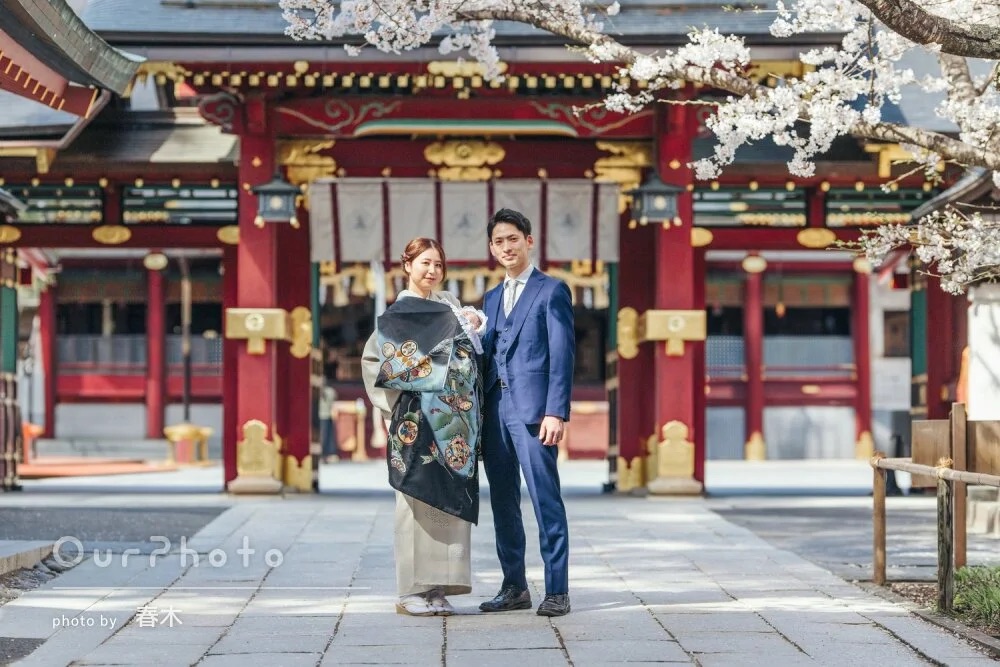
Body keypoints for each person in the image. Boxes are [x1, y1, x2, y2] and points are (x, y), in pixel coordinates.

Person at [362, 237, 487, 617]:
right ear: (407, 266)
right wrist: (398, 406)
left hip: (452, 424)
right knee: (415, 503)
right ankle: (410, 591)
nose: (432, 270)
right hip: (416, 422)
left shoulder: (451, 306)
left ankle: (439, 588)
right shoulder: (400, 314)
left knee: (449, 505)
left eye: (438, 264)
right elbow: (374, 363)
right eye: (424, 263)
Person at [478, 208, 575, 617]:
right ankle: (514, 586)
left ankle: (557, 590)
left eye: (513, 239)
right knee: (502, 502)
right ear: (492, 248)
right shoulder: (490, 299)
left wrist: (556, 411)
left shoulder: (551, 291)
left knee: (544, 499)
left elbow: (562, 354)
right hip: (494, 410)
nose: (507, 247)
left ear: (528, 241)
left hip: (535, 413)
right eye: (499, 241)